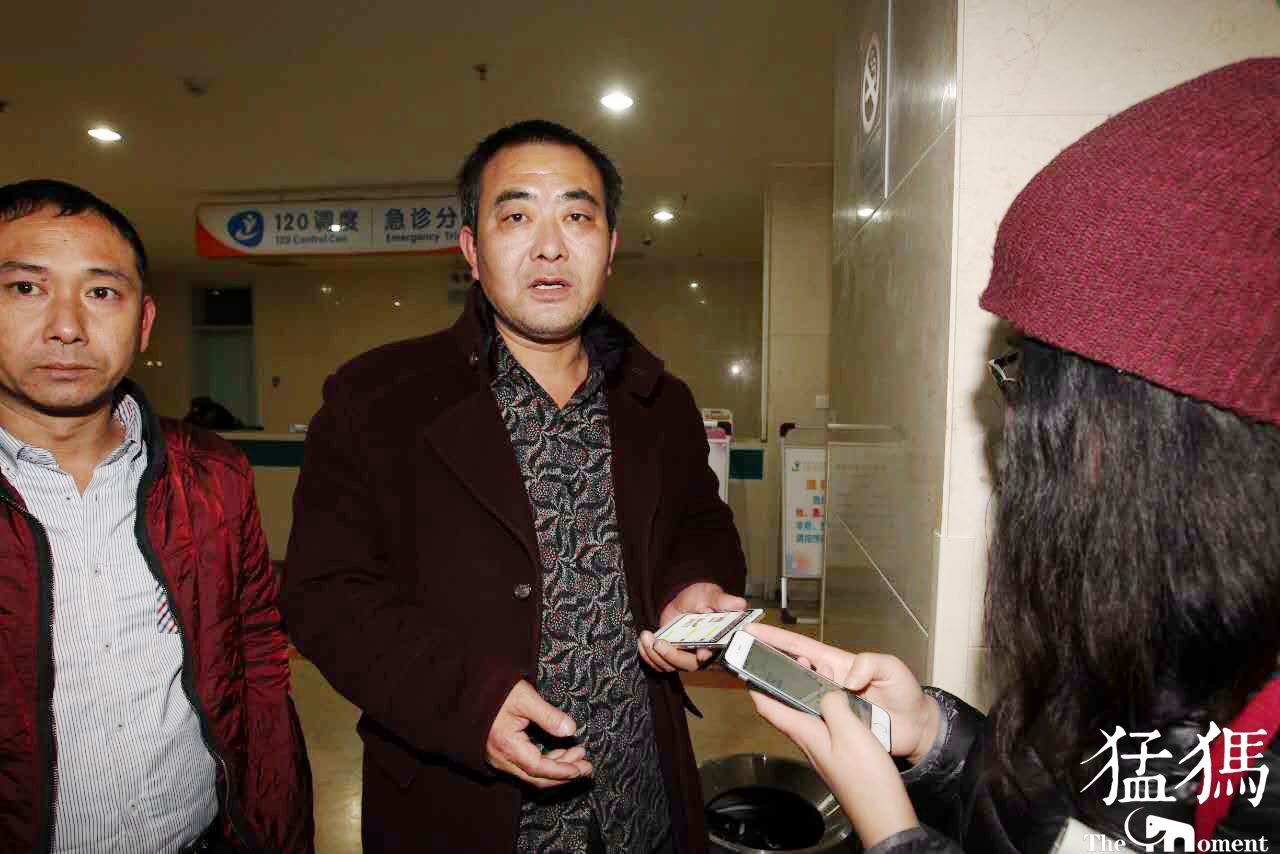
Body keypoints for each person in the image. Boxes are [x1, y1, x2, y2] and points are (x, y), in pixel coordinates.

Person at [745, 58, 1280, 853]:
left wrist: (894, 834)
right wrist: (932, 736)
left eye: (1031, 375)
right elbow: (1063, 820)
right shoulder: (1152, 632)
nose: (1014, 419)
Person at [282, 119, 748, 853]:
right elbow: (326, 595)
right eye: (517, 216)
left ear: (610, 247)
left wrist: (693, 586)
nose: (550, 246)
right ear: (472, 249)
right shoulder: (377, 401)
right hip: (460, 805)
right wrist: (467, 705)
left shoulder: (660, 402)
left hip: (638, 799)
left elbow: (701, 523)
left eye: (577, 216)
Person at [0, 180, 314, 852]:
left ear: (143, 323)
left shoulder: (213, 475)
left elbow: (257, 657)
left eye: (101, 292)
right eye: (25, 287)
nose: (66, 326)